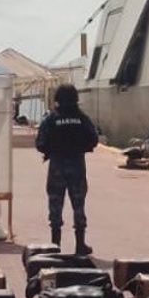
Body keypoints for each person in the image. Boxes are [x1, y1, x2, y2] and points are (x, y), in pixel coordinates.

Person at [34, 83, 100, 254]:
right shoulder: (82, 118)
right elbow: (94, 139)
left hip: (56, 165)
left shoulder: (51, 119)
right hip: (77, 165)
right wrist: (80, 147)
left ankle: (55, 245)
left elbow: (40, 143)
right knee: (78, 204)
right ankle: (80, 244)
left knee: (55, 204)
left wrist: (51, 150)